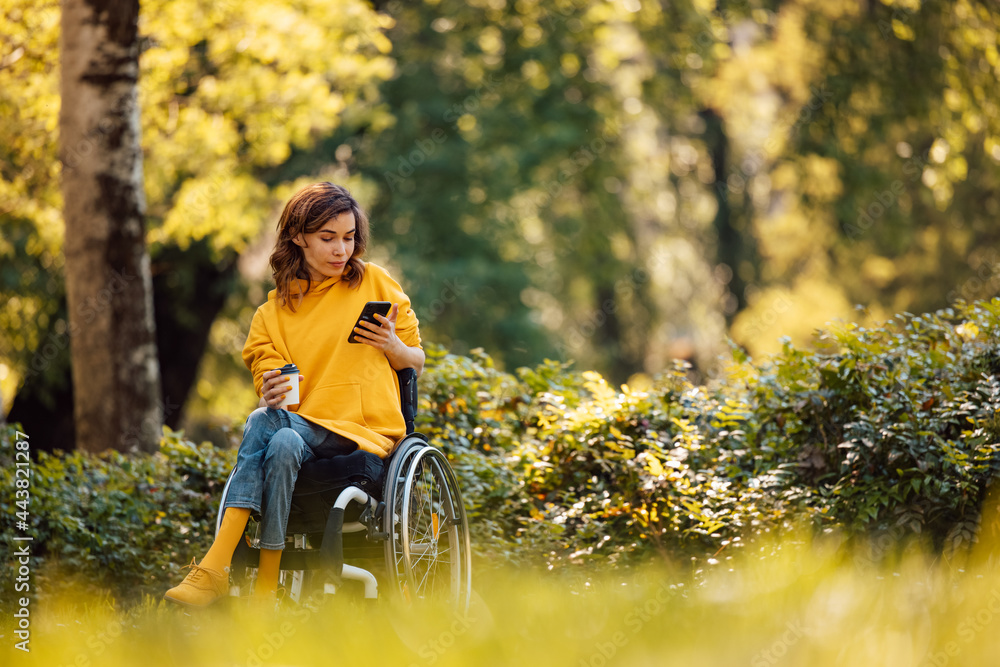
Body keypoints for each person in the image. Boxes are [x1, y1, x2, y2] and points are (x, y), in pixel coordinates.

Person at [164, 182, 424, 607]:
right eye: (328, 238)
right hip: (303, 431)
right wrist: (271, 388)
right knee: (279, 435)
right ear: (298, 237)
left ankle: (214, 565)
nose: (341, 250)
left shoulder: (375, 283)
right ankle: (266, 590)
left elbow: (415, 361)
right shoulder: (270, 317)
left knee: (262, 422)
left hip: (365, 432)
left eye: (349, 237)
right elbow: (277, 395)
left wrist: (394, 347)